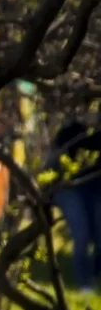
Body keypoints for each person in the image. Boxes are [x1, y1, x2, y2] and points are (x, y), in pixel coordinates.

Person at [50, 114, 101, 291]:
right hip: (70, 189)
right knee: (82, 235)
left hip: (94, 189)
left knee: (98, 236)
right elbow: (56, 163)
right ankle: (85, 283)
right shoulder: (68, 133)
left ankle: (94, 278)